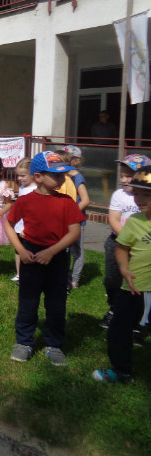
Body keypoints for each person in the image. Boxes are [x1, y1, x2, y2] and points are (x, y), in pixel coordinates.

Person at [5, 151, 85, 366]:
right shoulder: (25, 201)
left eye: (63, 175)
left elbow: (74, 232)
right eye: (56, 175)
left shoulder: (67, 202)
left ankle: (54, 345)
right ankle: (24, 342)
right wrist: (21, 251)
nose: (61, 179)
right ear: (39, 177)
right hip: (30, 256)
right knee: (28, 302)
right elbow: (9, 225)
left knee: (56, 303)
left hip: (57, 257)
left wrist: (51, 252)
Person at [92, 165, 151, 383]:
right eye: (137, 193)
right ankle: (122, 371)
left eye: (147, 195)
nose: (140, 199)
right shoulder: (135, 221)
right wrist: (124, 268)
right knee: (119, 330)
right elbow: (122, 248)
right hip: (133, 287)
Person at [100, 154, 151, 329]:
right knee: (113, 279)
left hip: (142, 245)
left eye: (128, 176)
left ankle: (140, 318)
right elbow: (114, 219)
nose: (123, 180)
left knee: (139, 280)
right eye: (122, 175)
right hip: (118, 241)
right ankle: (114, 308)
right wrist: (128, 239)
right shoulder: (119, 195)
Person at [59, 145, 90, 289]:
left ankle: (74, 279)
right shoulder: (63, 176)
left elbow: (85, 200)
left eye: (68, 158)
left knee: (77, 251)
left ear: (76, 160)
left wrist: (71, 214)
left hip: (76, 221)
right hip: (64, 220)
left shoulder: (77, 177)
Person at [10, 157, 36, 282]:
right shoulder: (22, 188)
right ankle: (19, 273)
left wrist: (26, 228)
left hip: (28, 227)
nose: (20, 178)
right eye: (18, 175)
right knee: (18, 250)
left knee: (29, 251)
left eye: (23, 176)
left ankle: (29, 275)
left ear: (33, 174)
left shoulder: (35, 190)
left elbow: (34, 212)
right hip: (19, 225)